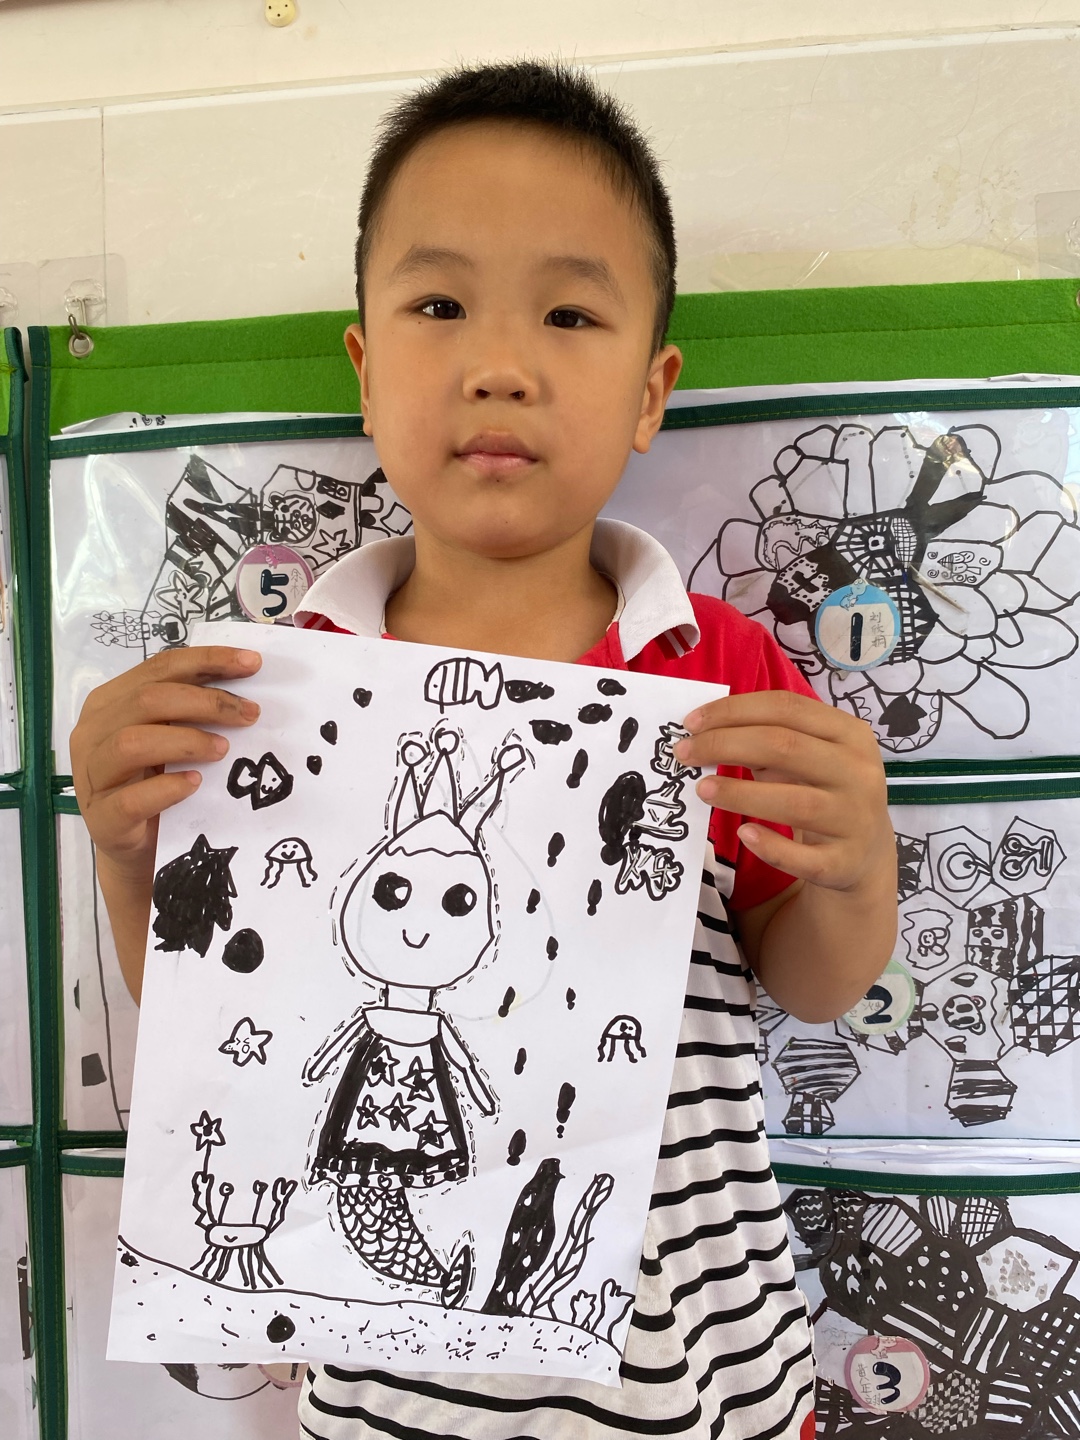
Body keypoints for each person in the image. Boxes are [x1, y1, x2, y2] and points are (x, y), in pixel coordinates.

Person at [71, 60, 897, 1440]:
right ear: (365, 367)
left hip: (706, 1378)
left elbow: (811, 984)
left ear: (651, 392)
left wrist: (858, 872)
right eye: (439, 305)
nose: (500, 364)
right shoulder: (266, 695)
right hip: (390, 1394)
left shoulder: (720, 671)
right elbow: (226, 1036)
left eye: (570, 314)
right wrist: (124, 855)